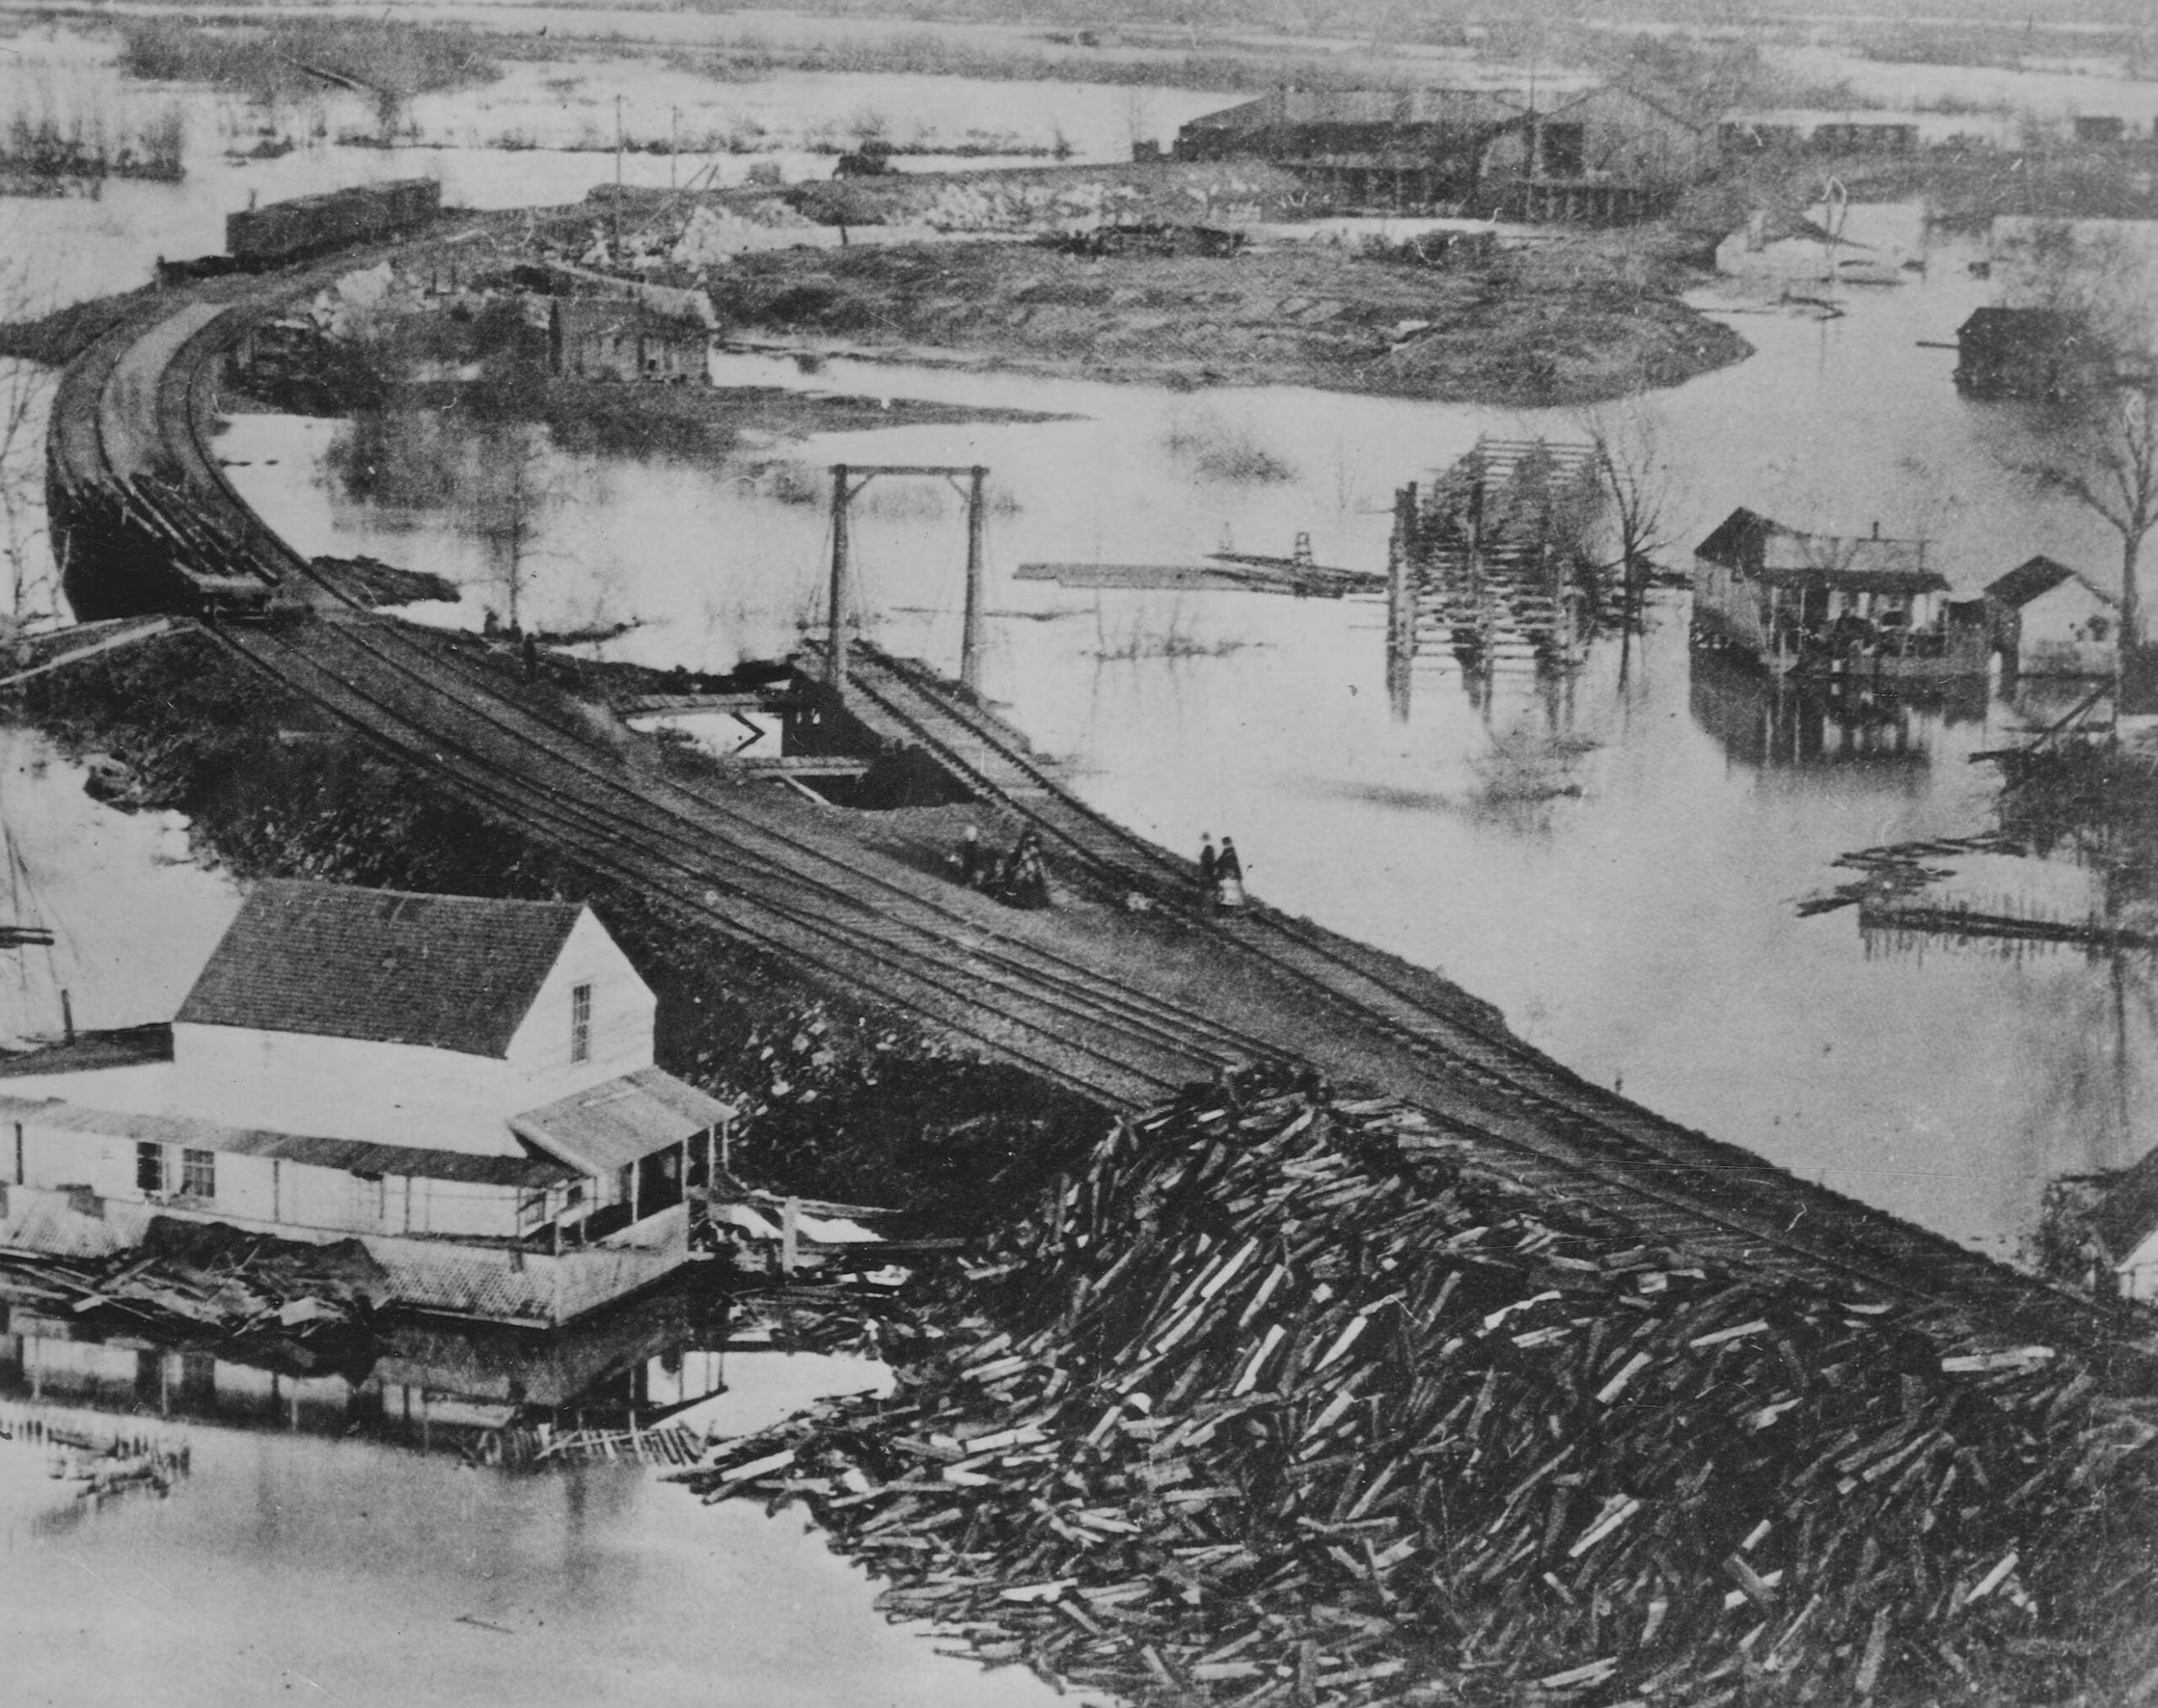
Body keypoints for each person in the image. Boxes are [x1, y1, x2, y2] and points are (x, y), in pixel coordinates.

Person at [1215, 835, 1245, 912]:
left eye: (1226, 843)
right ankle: (1229, 905)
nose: (1226, 845)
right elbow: (1221, 861)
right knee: (1229, 889)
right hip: (1228, 874)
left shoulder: (1230, 852)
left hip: (1229, 875)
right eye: (1225, 843)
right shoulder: (1228, 852)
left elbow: (1234, 865)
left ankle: (1231, 905)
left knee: (1230, 889)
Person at [952, 824, 988, 889]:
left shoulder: (974, 846)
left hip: (972, 868)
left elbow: (974, 862)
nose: (965, 833)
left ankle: (965, 883)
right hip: (970, 866)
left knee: (964, 867)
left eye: (967, 832)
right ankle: (963, 882)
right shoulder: (968, 844)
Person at [1198, 833, 1218, 900]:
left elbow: (1208, 860)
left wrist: (1202, 858)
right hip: (1208, 869)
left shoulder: (1208, 847)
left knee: (1206, 882)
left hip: (1207, 869)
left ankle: (1206, 895)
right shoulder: (1209, 847)